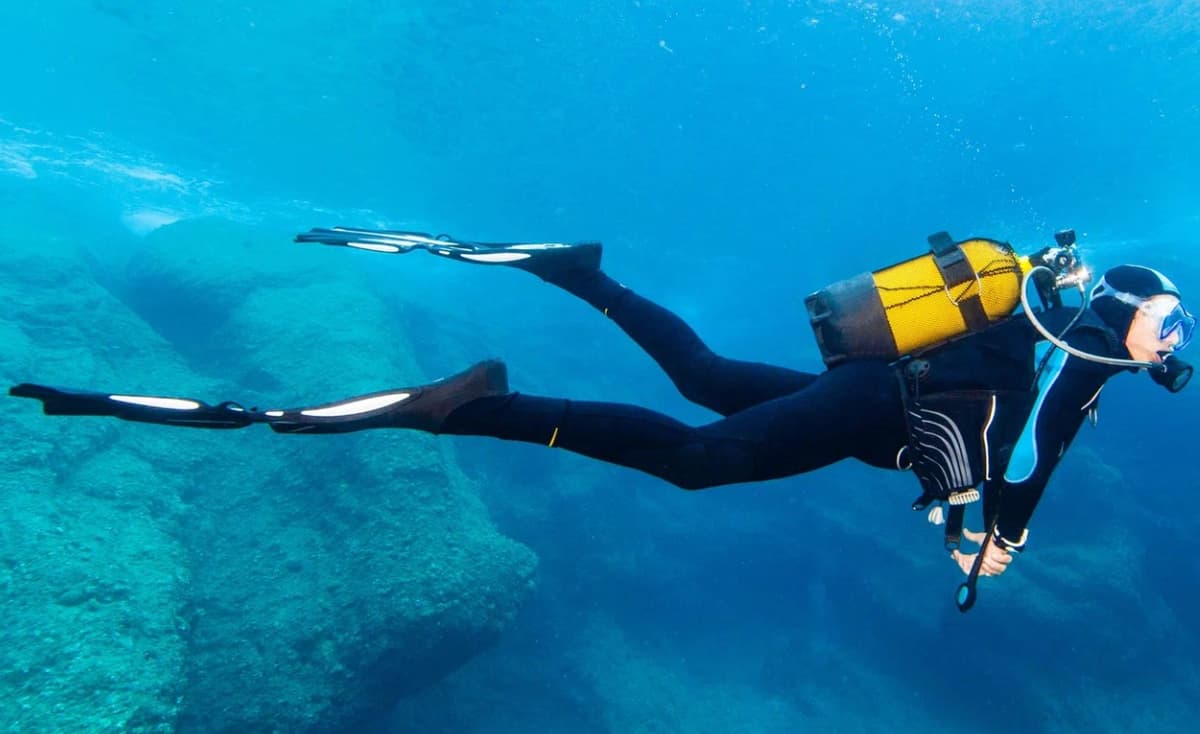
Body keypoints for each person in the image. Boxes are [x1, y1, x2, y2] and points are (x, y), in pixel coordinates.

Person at [10, 227, 1194, 604]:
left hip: (871, 405)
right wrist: (964, 519)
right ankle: (478, 408)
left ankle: (579, 272)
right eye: (1169, 323)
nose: (1176, 341)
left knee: (706, 379)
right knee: (695, 460)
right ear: (1127, 307)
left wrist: (1011, 525)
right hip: (876, 407)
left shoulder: (1074, 341)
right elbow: (980, 434)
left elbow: (1032, 441)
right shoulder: (1062, 344)